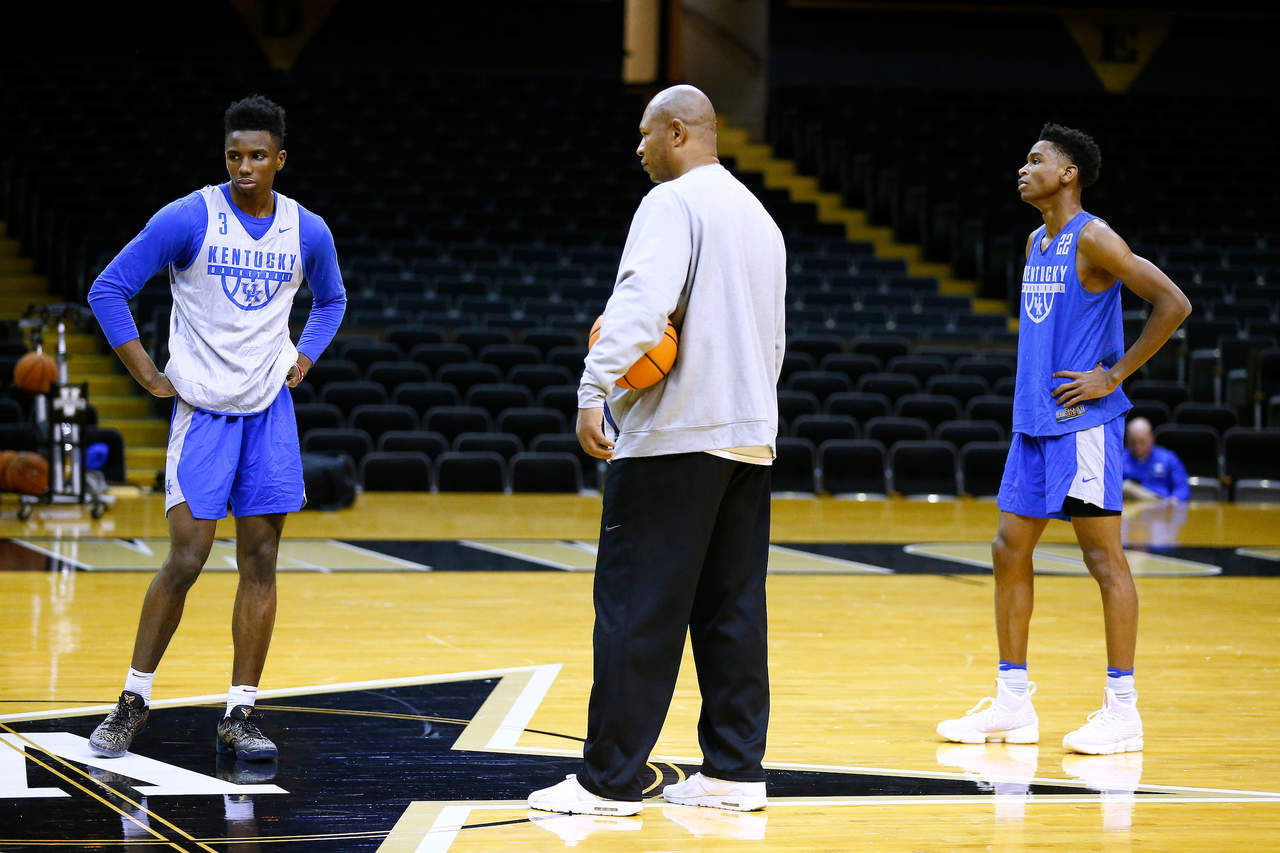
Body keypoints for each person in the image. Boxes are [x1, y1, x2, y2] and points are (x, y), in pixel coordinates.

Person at [527, 85, 786, 815]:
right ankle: (736, 771)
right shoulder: (761, 218)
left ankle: (608, 782)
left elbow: (640, 308)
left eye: (645, 135)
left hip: (674, 438)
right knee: (732, 610)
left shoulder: (671, 204)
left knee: (635, 608)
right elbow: (775, 342)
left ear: (679, 131)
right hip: (748, 436)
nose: (637, 149)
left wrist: (592, 388)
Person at [85, 95, 345, 761]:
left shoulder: (306, 230)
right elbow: (108, 288)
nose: (245, 166)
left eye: (258, 155)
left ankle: (240, 712)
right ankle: (132, 700)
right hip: (202, 412)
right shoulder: (188, 217)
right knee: (188, 557)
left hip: (268, 413)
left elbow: (333, 297)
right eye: (234, 155)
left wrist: (306, 356)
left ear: (280, 159)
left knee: (260, 559)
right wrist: (148, 375)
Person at [937, 124, 1190, 754]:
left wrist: (1114, 375)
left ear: (1068, 173)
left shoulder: (1095, 237)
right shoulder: (1034, 241)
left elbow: (1173, 302)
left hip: (1082, 428)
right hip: (1033, 422)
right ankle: (1014, 703)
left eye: (1036, 159)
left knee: (1104, 561)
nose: (1023, 169)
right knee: (1007, 550)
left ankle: (1123, 710)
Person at [1121, 417, 1190, 501]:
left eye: (1142, 442)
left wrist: (1175, 499)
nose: (1137, 447)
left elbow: (1182, 487)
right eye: (1133, 442)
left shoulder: (1168, 458)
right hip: (1129, 508)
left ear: (1151, 439)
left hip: (1161, 506)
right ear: (1127, 441)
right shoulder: (1119, 460)